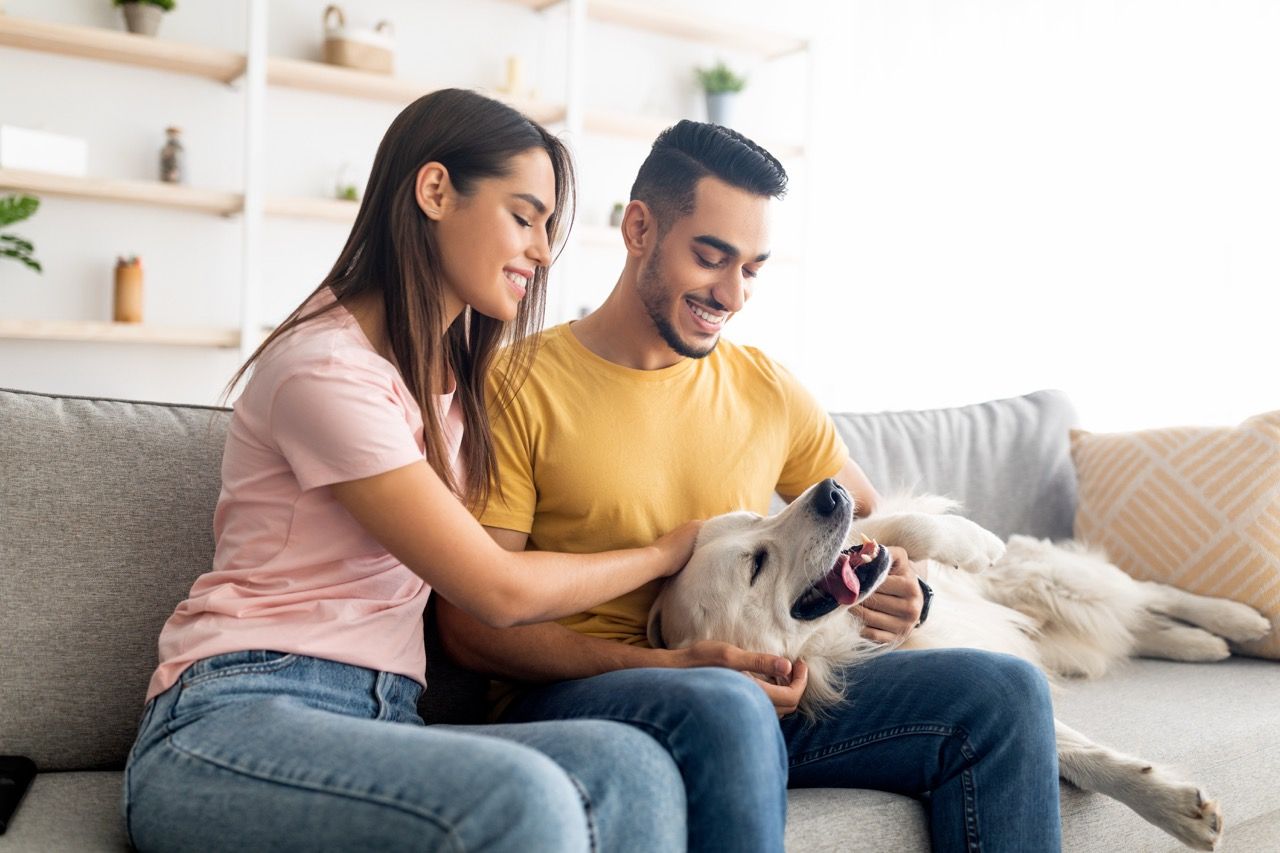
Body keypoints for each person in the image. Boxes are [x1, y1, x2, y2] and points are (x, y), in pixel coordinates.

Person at [122, 91, 787, 853]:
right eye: (525, 216)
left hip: (384, 717)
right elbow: (497, 591)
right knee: (524, 797)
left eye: (547, 228)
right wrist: (673, 548)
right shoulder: (326, 370)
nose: (542, 251)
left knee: (631, 765)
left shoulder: (458, 381)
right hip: (237, 713)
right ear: (435, 191)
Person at [436, 120, 1063, 852]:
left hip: (763, 688)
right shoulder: (517, 384)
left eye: (754, 269)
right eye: (711, 257)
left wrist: (905, 587)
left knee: (1004, 695)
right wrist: (668, 665)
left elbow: (867, 518)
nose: (732, 293)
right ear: (639, 227)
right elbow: (471, 627)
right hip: (587, 697)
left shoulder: (764, 385)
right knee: (724, 699)